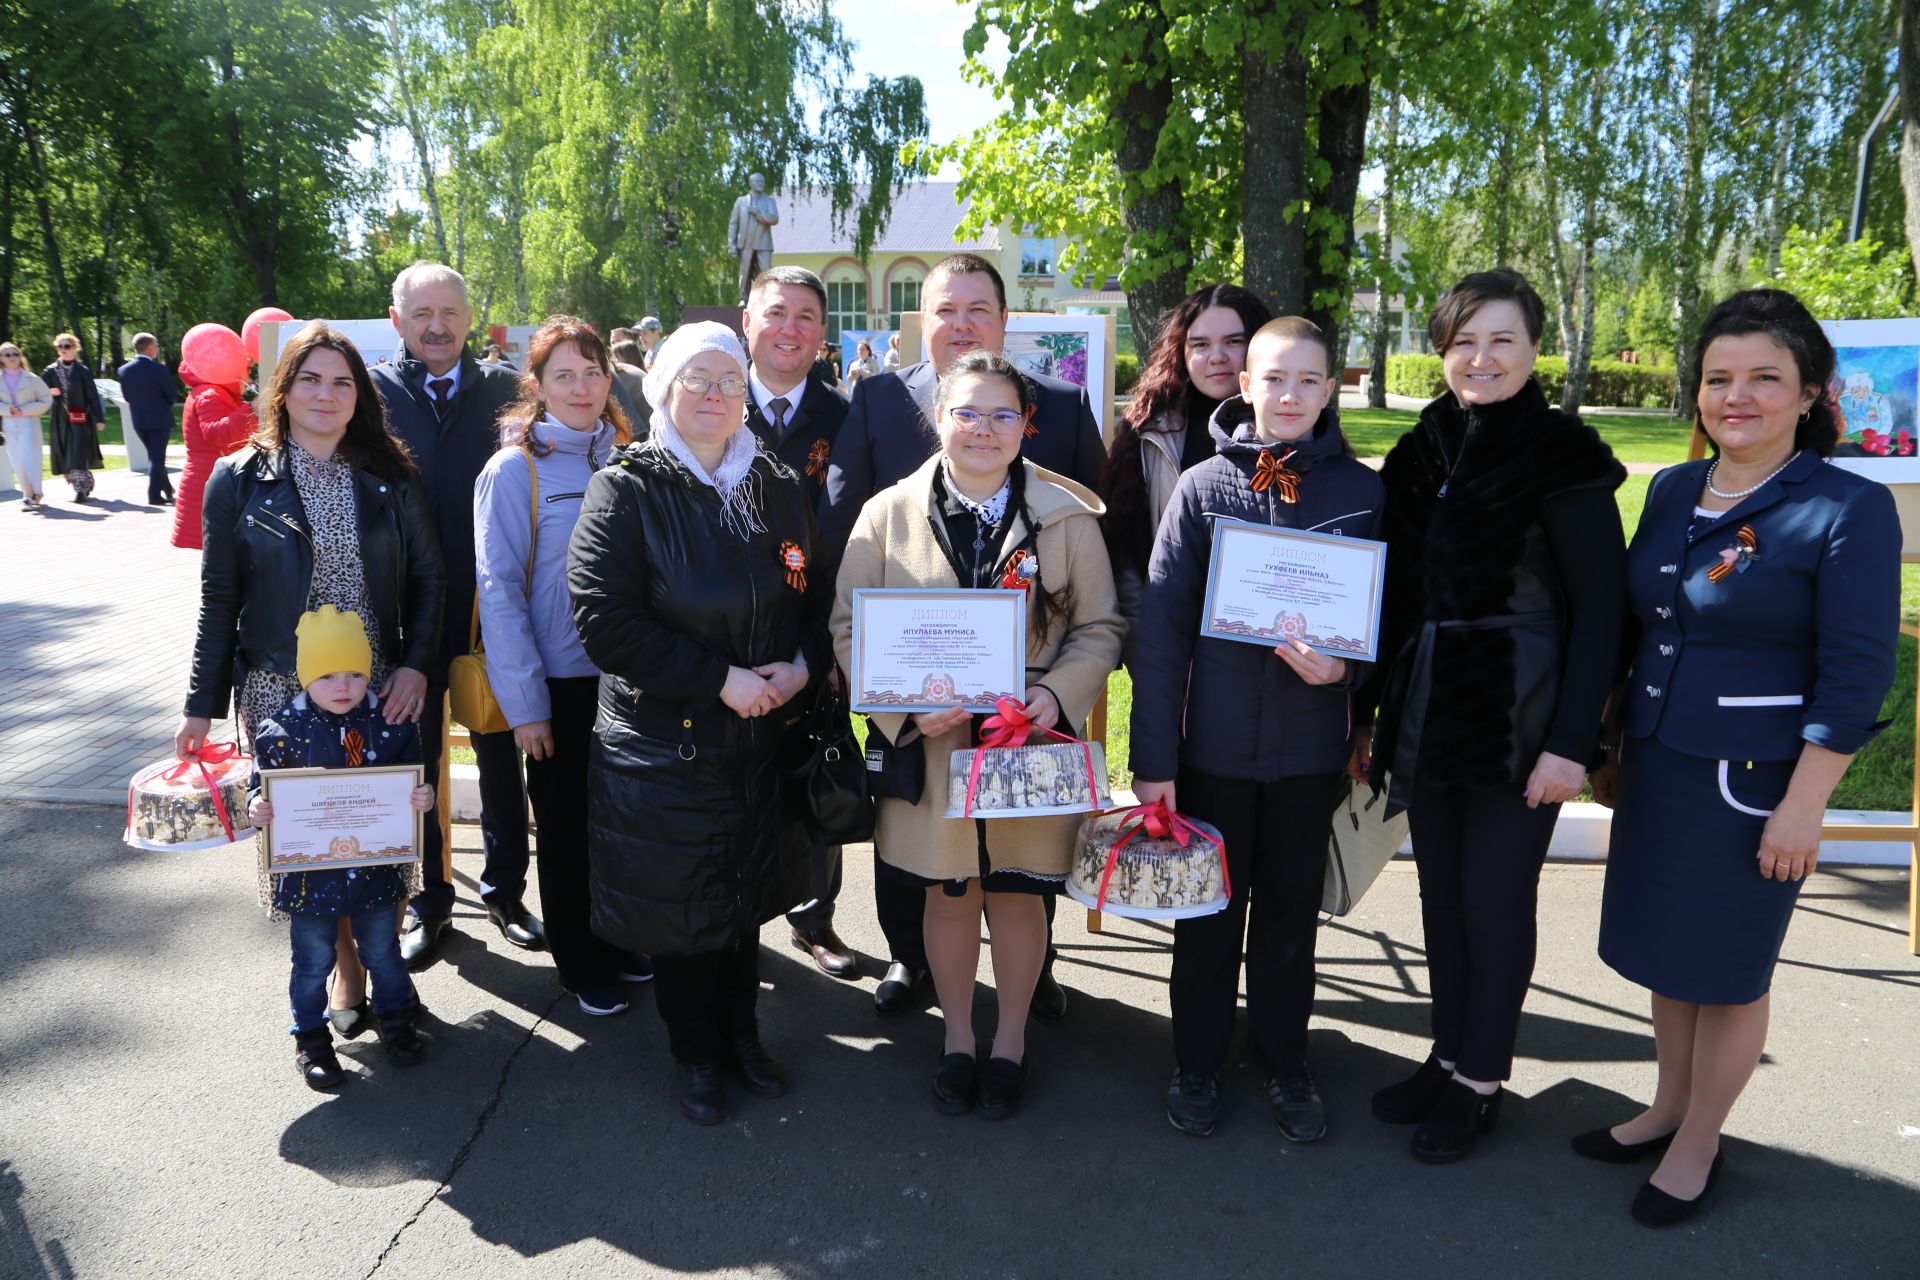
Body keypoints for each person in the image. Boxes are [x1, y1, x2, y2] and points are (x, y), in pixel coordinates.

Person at [1582, 289, 1899, 1227]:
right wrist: (1609, 742)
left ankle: (1700, 1140)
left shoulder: (1848, 506)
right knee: (1667, 954)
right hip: (1657, 758)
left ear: (1809, 393)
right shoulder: (1678, 488)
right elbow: (1648, 626)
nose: (1738, 396)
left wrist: (1805, 806)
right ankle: (1666, 1106)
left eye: (1766, 377)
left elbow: (1855, 675)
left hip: (1754, 783)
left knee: (1727, 967)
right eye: (1719, 378)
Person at [1355, 268, 1625, 1163]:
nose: (1482, 358)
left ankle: (1481, 1081)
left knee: (1496, 899)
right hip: (1430, 703)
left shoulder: (1564, 452)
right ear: (1441, 353)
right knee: (1439, 896)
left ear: (1534, 348)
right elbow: (1388, 599)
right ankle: (1448, 1051)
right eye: (1464, 342)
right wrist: (1367, 718)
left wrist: (1570, 745)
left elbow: (1601, 614)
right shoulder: (1422, 447)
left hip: (1520, 708)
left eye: (1502, 339)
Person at [830, 351, 1123, 1118]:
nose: (984, 430)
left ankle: (1012, 1042)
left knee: (1019, 897)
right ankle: (959, 1037)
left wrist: (1053, 698)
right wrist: (899, 707)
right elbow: (846, 628)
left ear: (1027, 425)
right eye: (967, 412)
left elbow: (1099, 628)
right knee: (952, 893)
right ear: (939, 420)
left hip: (1025, 751)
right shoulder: (885, 515)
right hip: (930, 749)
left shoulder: (1065, 517)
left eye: (1002, 415)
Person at [1130, 317, 1383, 1141]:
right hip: (1216, 754)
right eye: (1274, 378)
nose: (1290, 395)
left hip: (1309, 756)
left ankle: (1285, 1061)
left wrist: (1347, 676)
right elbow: (1162, 633)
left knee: (1287, 922)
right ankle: (1195, 1061)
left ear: (1330, 389)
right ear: (1245, 385)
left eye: (1309, 381)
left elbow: (1386, 622)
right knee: (1206, 921)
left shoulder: (1363, 492)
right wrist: (1154, 759)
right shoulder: (1204, 488)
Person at [568, 321, 826, 1126]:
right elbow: (603, 619)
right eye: (698, 379)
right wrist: (718, 681)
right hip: (666, 744)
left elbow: (812, 598)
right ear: (665, 390)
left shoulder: (775, 482)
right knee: (684, 911)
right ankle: (697, 1054)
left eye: (729, 380)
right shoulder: (628, 488)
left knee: (743, 898)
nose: (716, 395)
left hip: (758, 737)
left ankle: (744, 1035)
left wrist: (803, 665)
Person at [177, 323, 444, 1028]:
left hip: (375, 689)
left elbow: (429, 579)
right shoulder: (239, 478)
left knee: (375, 842)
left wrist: (416, 665)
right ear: (283, 390)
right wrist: (199, 707)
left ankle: (377, 980)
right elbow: (219, 601)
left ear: (361, 395)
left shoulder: (390, 476)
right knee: (312, 854)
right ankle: (346, 981)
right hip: (278, 693)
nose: (326, 395)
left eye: (342, 382)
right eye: (310, 379)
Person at [369, 261, 539, 968]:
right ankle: (430, 900)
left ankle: (504, 891)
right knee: (418, 762)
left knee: (499, 752)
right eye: (421, 315)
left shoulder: (509, 390)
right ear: (396, 320)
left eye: (449, 313)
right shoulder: (372, 393)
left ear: (470, 317)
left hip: (490, 607)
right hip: (404, 616)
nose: (436, 327)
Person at [475, 317, 638, 1017]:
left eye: (593, 372)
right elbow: (499, 589)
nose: (581, 387)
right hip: (559, 687)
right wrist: (527, 706)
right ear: (536, 386)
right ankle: (581, 962)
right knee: (567, 833)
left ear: (610, 380)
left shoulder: (628, 459)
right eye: (563, 375)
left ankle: (620, 938)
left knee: (621, 826)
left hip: (631, 683)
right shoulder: (516, 470)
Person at [246, 606, 436, 1089]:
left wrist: (422, 795)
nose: (344, 685)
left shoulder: (390, 724)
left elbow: (410, 776)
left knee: (383, 952)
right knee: (312, 962)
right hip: (311, 881)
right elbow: (258, 788)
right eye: (327, 674)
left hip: (374, 875)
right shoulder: (279, 733)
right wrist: (257, 808)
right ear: (306, 675)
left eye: (355, 673)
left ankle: (396, 1022)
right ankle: (310, 1039)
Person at [739, 266, 855, 977]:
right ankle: (733, 926)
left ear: (822, 333)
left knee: (819, 770)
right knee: (731, 786)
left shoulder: (846, 418)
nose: (790, 328)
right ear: (747, 323)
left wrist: (838, 642)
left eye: (807, 316)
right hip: (725, 632)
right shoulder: (710, 402)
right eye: (776, 313)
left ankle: (815, 919)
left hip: (817, 627)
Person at [1099, 284, 1271, 664]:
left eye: (1234, 341)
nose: (1217, 357)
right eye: (1200, 345)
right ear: (1181, 350)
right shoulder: (1146, 434)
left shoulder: (1292, 430)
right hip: (1171, 646)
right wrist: (1144, 649)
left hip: (1266, 652)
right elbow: (1128, 553)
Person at [120, 333, 180, 506]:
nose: (157, 349)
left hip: (139, 420)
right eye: (156, 345)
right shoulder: (158, 369)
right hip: (159, 419)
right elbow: (171, 395)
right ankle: (154, 494)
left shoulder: (124, 370)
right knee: (156, 458)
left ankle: (167, 488)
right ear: (149, 347)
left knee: (155, 456)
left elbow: (127, 396)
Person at [43, 333, 105, 502]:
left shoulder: (82, 371)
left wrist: (99, 418)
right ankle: (84, 480)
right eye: (60, 347)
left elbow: (92, 395)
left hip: (81, 417)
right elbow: (40, 393)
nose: (63, 350)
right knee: (64, 452)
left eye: (67, 346)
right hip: (60, 419)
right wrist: (50, 392)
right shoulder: (50, 371)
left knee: (78, 451)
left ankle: (80, 489)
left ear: (75, 348)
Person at [2, 342, 52, 509]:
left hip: (29, 422)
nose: (12, 357)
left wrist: (24, 410)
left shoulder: (32, 379)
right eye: (7, 354)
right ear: (1, 358)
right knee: (16, 459)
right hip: (9, 423)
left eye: (15, 354)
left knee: (30, 457)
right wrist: (8, 409)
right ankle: (28, 493)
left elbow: (46, 400)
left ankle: (35, 492)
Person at [609, 336, 653, 434]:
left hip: (648, 432)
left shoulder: (624, 376)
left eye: (616, 357)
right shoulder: (631, 371)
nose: (614, 360)